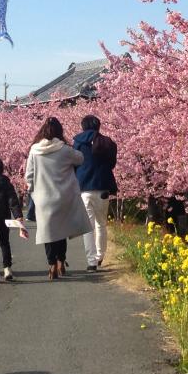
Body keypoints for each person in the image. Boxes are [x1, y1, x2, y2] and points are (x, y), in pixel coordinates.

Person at [24, 116, 90, 279]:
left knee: (48, 232)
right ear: (59, 132)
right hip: (63, 197)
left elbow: (29, 175)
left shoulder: (34, 150)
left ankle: (51, 264)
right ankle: (61, 261)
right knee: (61, 230)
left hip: (43, 198)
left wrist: (32, 191)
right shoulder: (65, 150)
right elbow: (80, 158)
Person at [73, 115, 118, 272]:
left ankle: (91, 262)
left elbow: (74, 164)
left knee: (88, 227)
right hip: (103, 188)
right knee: (101, 224)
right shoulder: (107, 142)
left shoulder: (78, 142)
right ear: (99, 126)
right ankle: (100, 257)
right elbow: (112, 163)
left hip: (84, 188)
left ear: (83, 126)